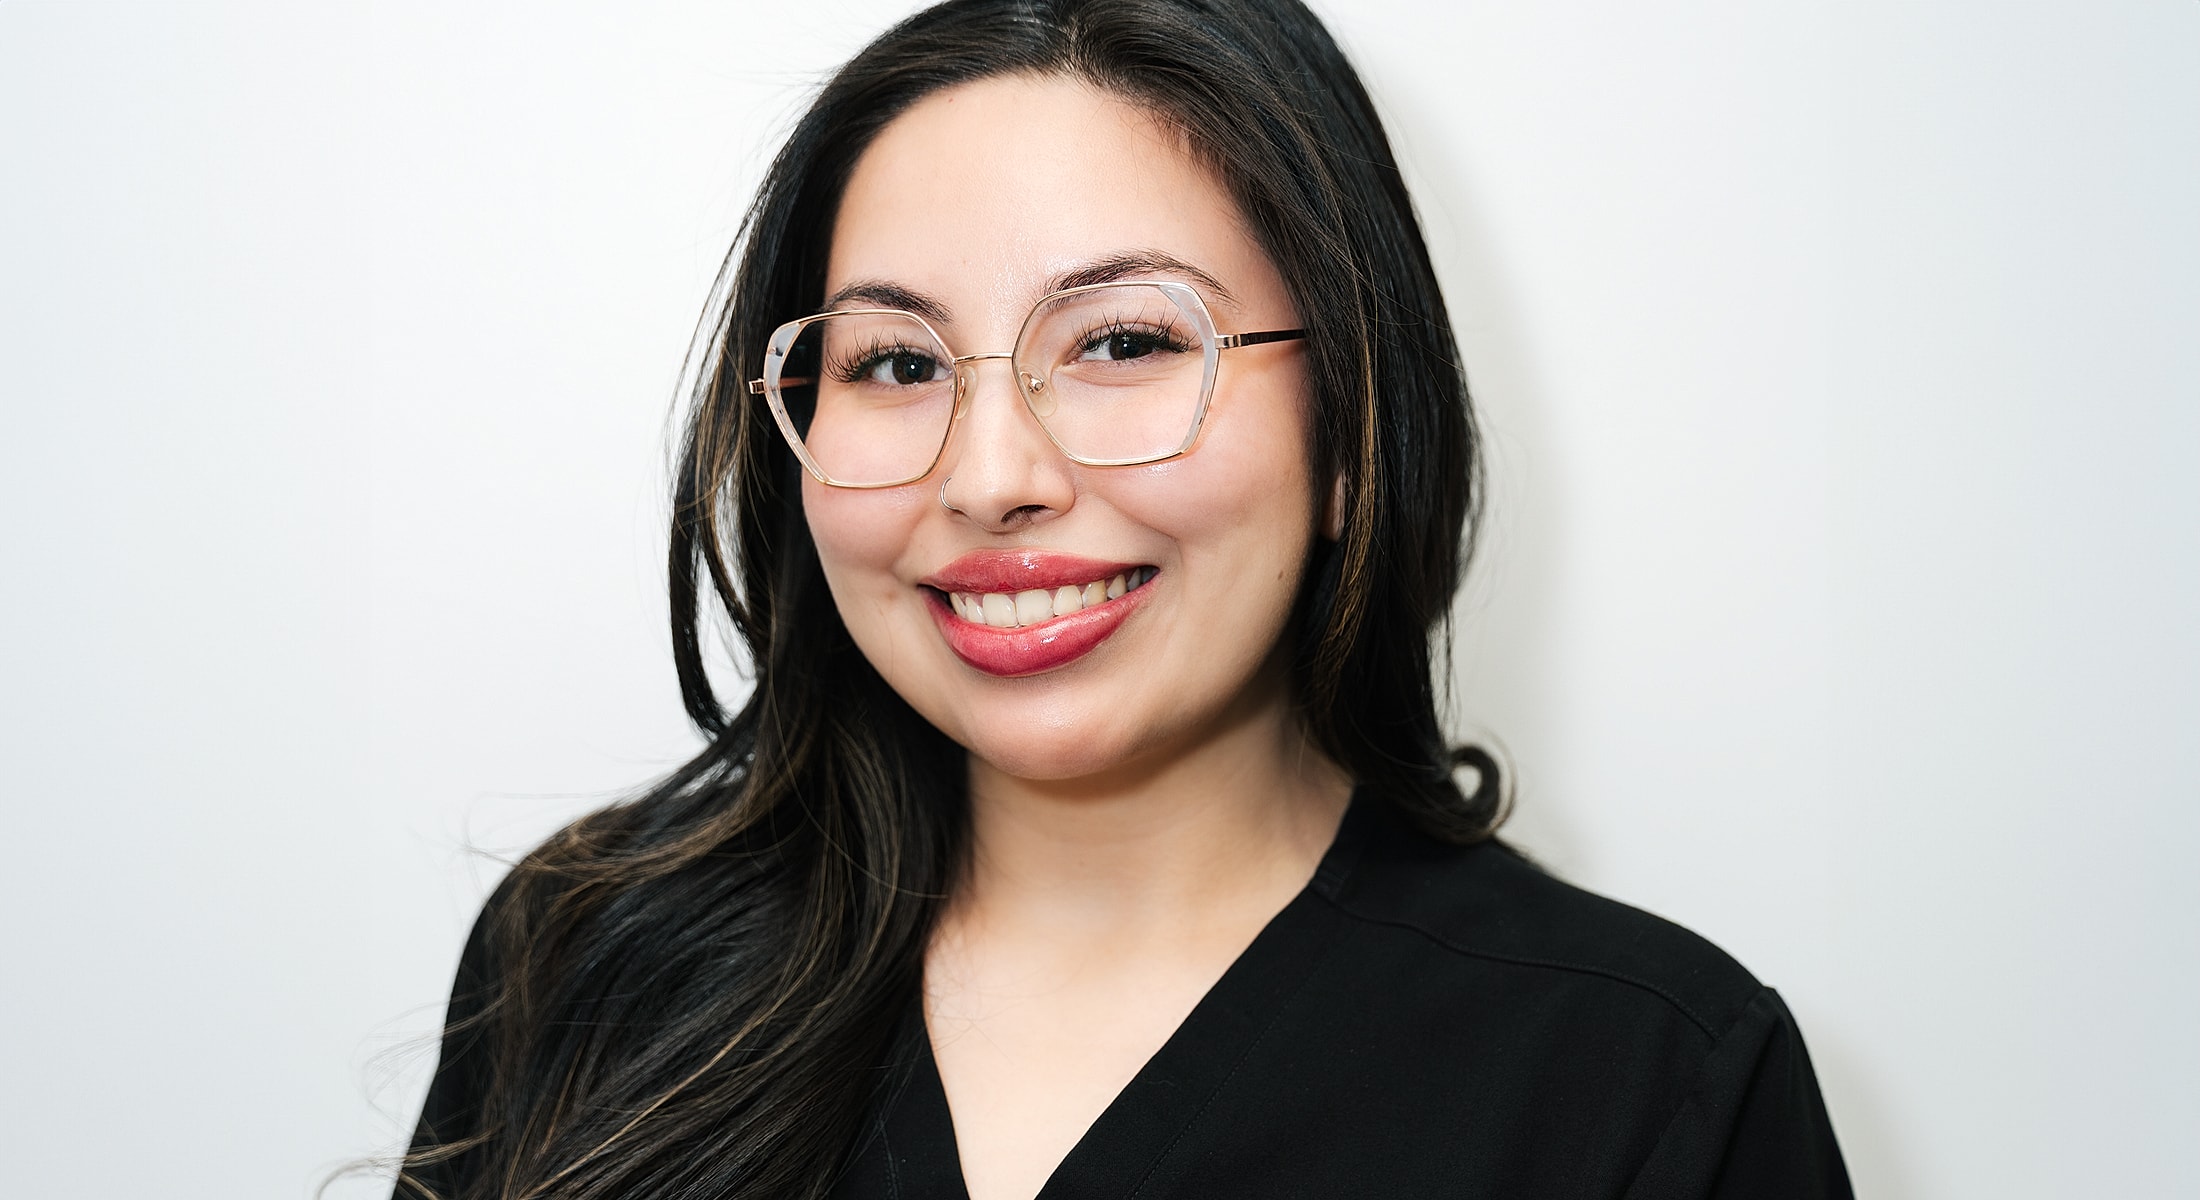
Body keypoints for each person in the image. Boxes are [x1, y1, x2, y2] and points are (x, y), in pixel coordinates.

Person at [396, 1, 1851, 1197]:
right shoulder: (588, 960)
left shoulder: (1647, 1077)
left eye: (1125, 340)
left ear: (1352, 428)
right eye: (895, 364)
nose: (993, 476)